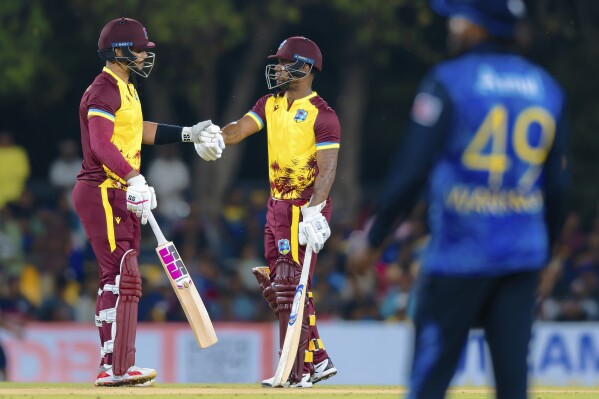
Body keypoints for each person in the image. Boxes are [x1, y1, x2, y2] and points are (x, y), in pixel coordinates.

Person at [348, 1, 569, 398]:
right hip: (521, 258)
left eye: (459, 17)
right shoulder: (545, 87)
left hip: (458, 257)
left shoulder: (448, 81)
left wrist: (374, 238)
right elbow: (557, 186)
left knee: (429, 382)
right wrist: (549, 255)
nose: (452, 25)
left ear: (478, 27)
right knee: (512, 386)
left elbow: (412, 171)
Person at [72, 17, 222, 387]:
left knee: (121, 276)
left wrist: (188, 134)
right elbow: (100, 143)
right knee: (122, 276)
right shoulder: (104, 89)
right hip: (103, 190)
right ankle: (116, 367)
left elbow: (137, 132)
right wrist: (134, 176)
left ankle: (116, 364)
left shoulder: (125, 88)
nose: (144, 56)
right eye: (140, 50)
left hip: (117, 190)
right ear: (120, 51)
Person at [213, 36, 340, 388]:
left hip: (304, 206)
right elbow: (241, 128)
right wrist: (215, 137)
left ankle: (296, 370)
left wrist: (315, 212)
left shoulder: (322, 114)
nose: (279, 69)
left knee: (291, 285)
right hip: (276, 205)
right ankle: (314, 360)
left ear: (305, 67)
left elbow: (327, 170)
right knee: (285, 286)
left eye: (285, 63)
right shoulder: (270, 103)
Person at [0, 131, 30, 210]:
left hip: (16, 193)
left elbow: (24, 173)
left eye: (6, 139)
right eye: (2, 139)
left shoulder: (18, 152)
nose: (4, 141)